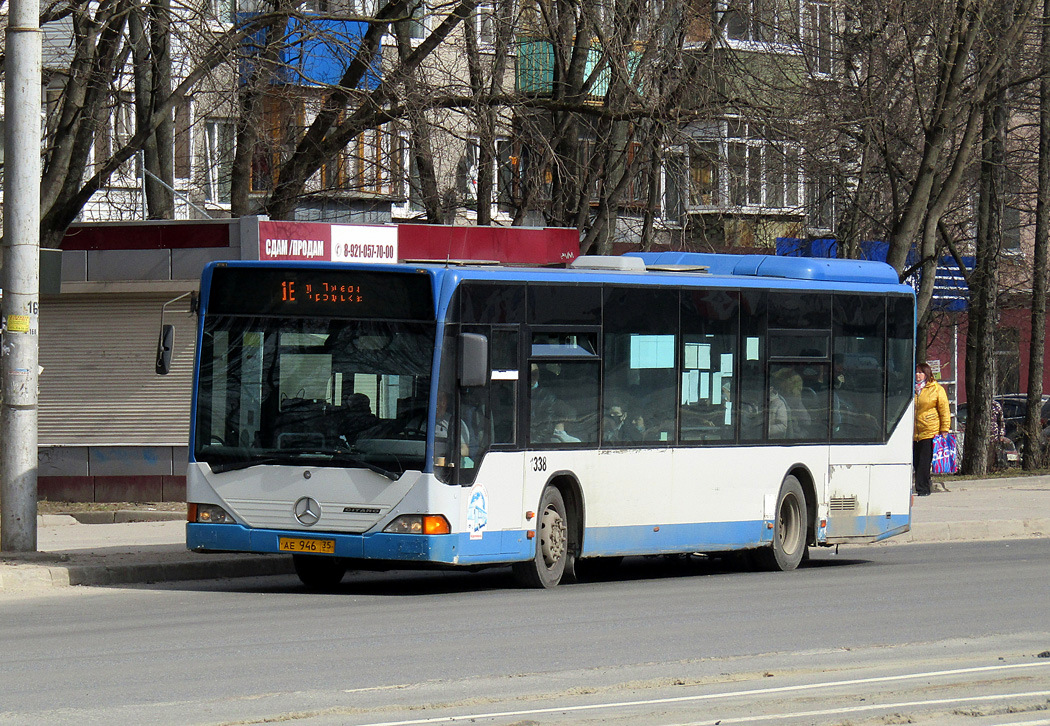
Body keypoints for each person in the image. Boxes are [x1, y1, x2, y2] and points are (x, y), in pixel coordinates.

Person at [913, 362, 950, 496]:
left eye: (920, 372)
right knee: (916, 462)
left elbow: (944, 409)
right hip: (914, 431)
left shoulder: (936, 389)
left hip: (929, 430)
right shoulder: (911, 389)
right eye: (916, 372)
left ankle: (922, 489)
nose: (917, 375)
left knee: (924, 461)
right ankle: (925, 484)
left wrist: (944, 428)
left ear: (927, 374)